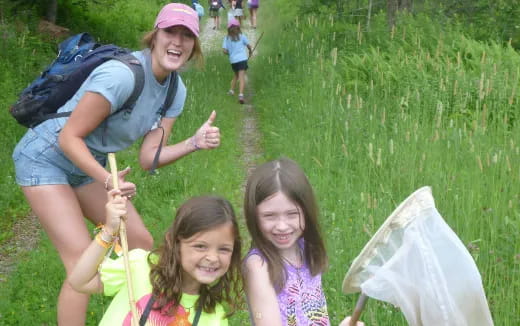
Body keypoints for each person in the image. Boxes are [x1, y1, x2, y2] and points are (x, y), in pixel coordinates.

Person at [11, 3, 220, 325]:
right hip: (46, 156)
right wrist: (109, 182)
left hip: (86, 160)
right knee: (83, 264)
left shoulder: (175, 91)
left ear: (195, 45)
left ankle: (136, 313)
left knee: (140, 242)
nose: (177, 42)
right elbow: (69, 137)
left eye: (187, 35)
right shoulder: (122, 75)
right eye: (170, 32)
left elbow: (149, 156)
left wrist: (193, 143)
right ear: (155, 36)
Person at [69, 193, 242, 325]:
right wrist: (108, 231)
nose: (212, 258)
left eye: (224, 249)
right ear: (175, 242)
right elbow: (79, 281)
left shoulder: (215, 317)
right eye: (200, 246)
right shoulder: (139, 266)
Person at [242, 158, 364, 326]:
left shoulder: (306, 249)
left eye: (292, 214)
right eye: (269, 216)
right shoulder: (259, 267)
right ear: (253, 216)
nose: (282, 226)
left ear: (307, 211)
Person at [222, 19, 252, 104]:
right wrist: (250, 51)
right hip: (242, 59)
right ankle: (241, 95)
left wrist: (230, 53)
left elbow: (224, 50)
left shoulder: (226, 38)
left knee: (236, 75)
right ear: (238, 27)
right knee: (241, 77)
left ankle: (231, 91)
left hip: (233, 61)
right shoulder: (242, 36)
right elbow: (249, 45)